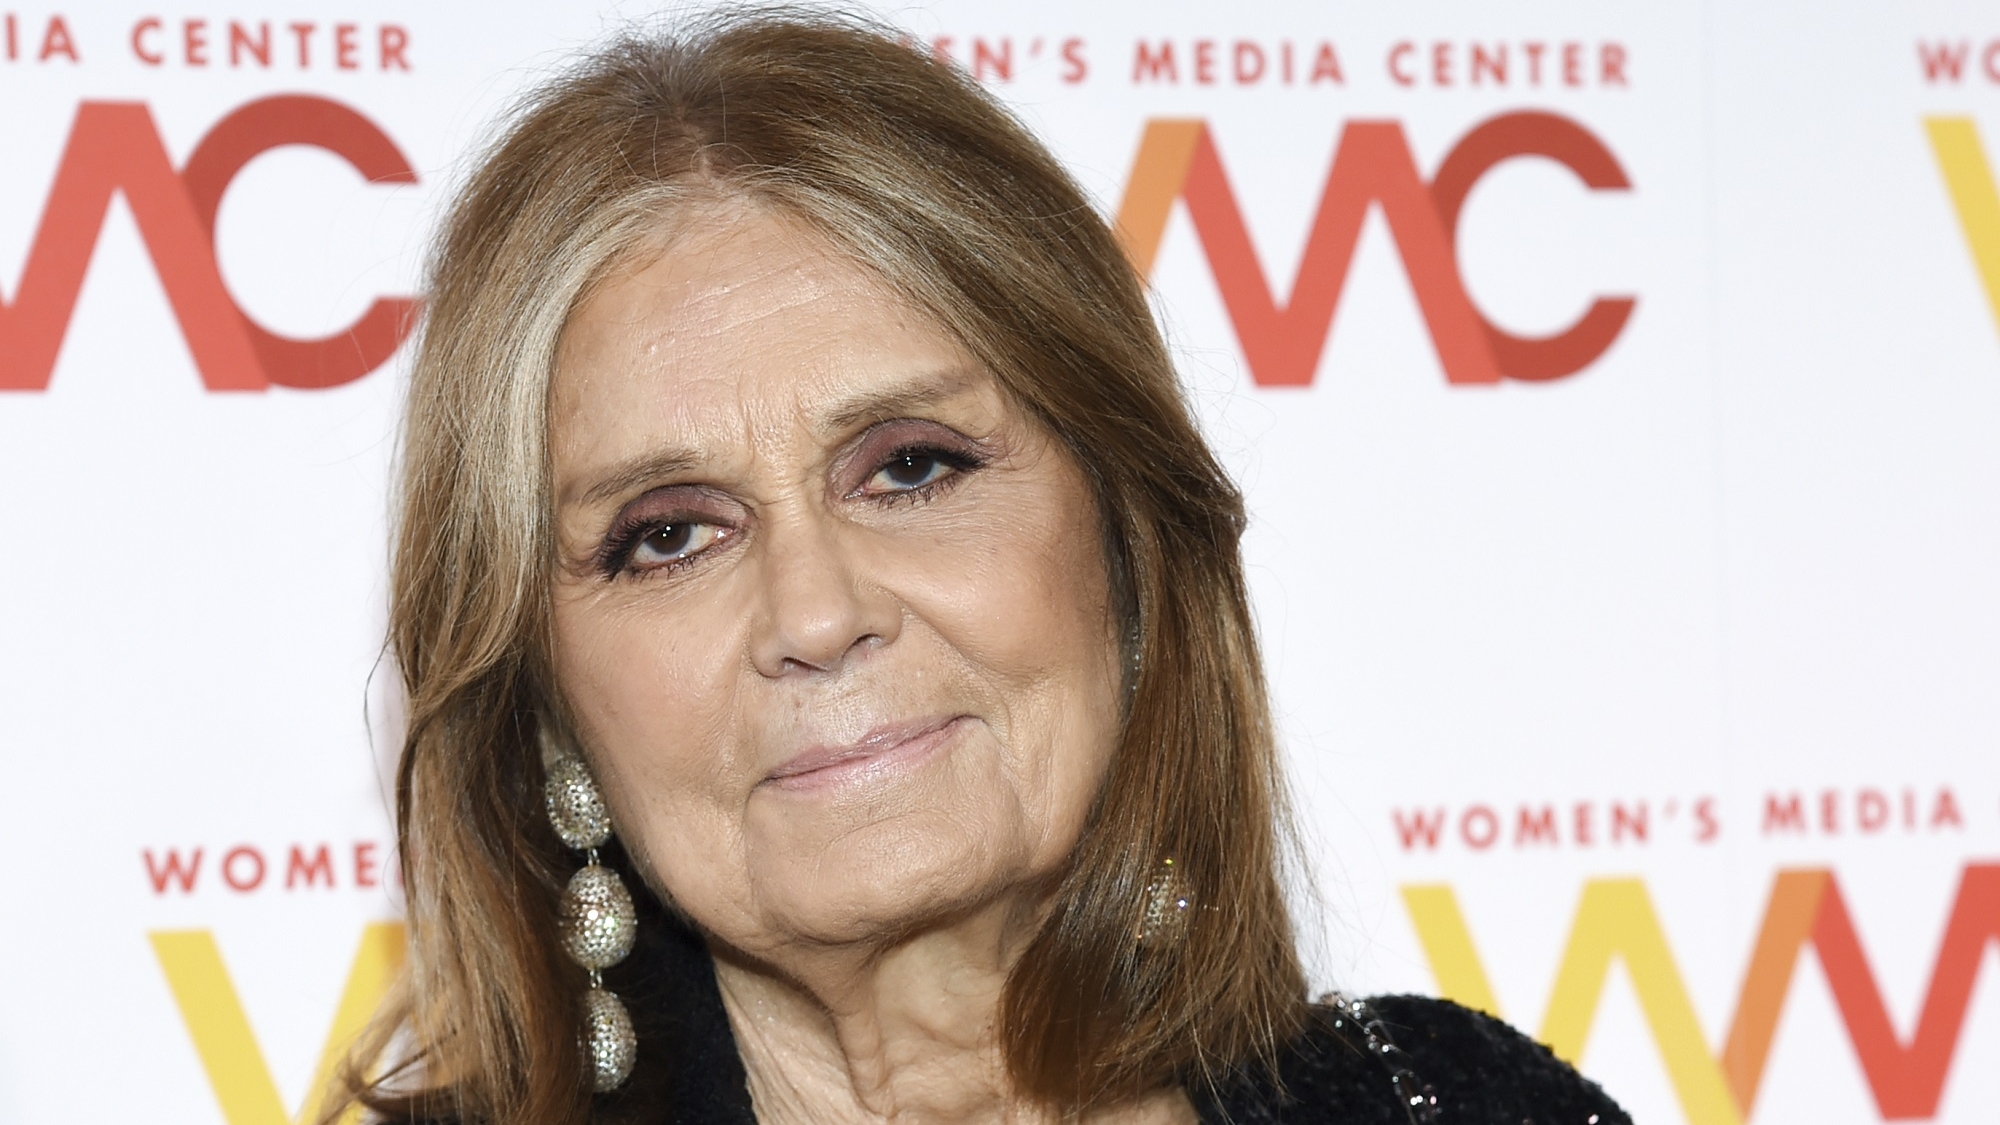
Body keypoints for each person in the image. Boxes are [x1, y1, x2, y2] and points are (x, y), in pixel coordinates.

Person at [344, 12, 1631, 1125]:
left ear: (1125, 540)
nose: (817, 614)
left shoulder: (1459, 1102)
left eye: (911, 468)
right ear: (546, 700)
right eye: (669, 535)